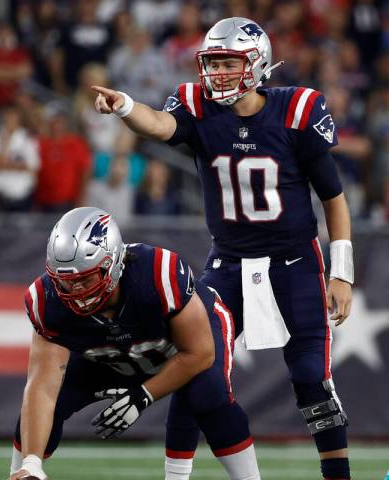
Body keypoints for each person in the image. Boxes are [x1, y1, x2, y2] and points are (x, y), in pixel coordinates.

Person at [93, 17, 353, 480]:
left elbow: (333, 197)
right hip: (228, 263)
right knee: (194, 363)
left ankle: (338, 475)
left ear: (256, 64)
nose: (216, 73)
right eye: (211, 63)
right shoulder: (199, 108)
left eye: (227, 63)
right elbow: (158, 125)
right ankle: (176, 477)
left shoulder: (296, 110)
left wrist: (342, 271)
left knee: (312, 376)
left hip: (294, 263)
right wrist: (126, 105)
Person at [10, 207, 259, 480]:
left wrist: (143, 396)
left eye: (85, 279)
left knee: (208, 392)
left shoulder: (157, 273)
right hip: (111, 353)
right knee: (52, 402)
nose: (75, 292)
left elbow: (199, 353)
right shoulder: (46, 300)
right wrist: (31, 461)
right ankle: (23, 471)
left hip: (180, 345)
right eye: (65, 282)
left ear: (114, 262)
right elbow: (42, 388)